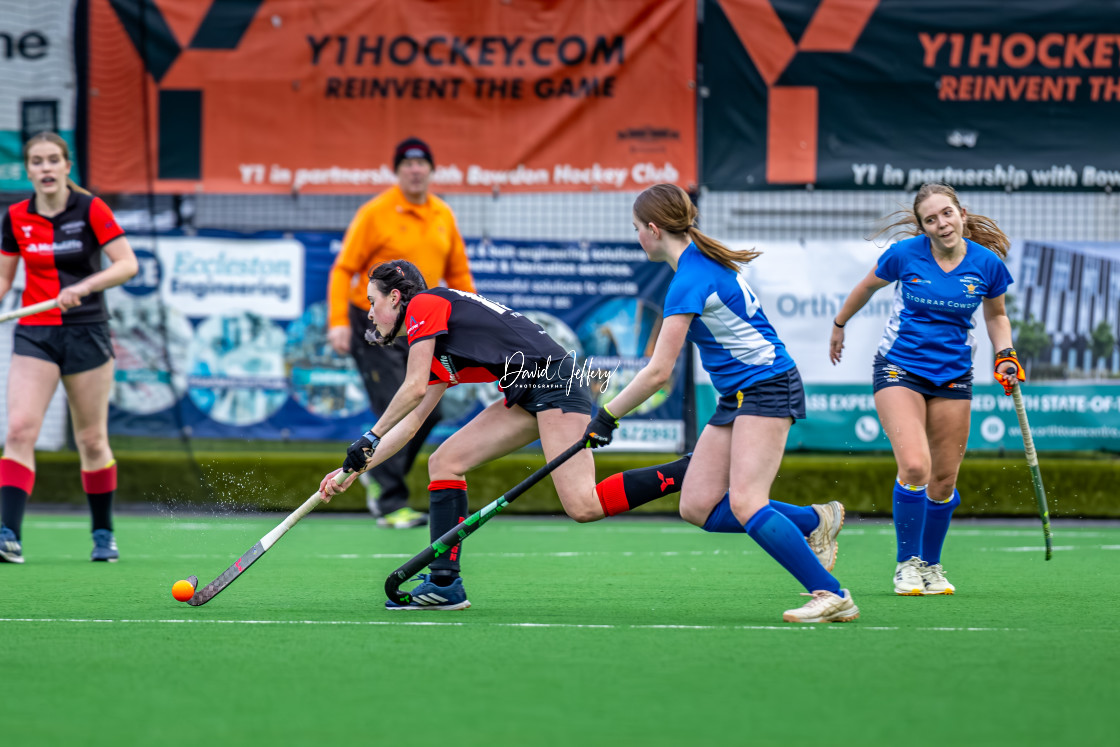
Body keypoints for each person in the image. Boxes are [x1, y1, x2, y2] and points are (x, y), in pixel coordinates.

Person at [320, 182, 853, 623]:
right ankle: (445, 584)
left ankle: (700, 483)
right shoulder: (437, 337)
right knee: (445, 461)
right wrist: (353, 469)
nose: (370, 313)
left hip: (556, 382)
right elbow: (414, 418)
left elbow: (411, 389)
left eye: (372, 303)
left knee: (583, 505)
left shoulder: (426, 305)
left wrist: (365, 439)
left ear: (396, 296)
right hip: (530, 385)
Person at [829, 182, 1019, 596]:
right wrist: (840, 324)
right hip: (899, 369)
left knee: (944, 480)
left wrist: (1005, 354)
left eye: (947, 213)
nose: (941, 223)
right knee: (916, 467)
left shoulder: (987, 264)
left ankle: (931, 565)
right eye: (930, 219)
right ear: (922, 227)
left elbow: (996, 316)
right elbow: (866, 287)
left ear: (961, 214)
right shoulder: (905, 254)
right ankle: (906, 564)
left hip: (954, 376)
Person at [0, 131, 138, 564]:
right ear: (28, 170)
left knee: (92, 441)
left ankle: (103, 533)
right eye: (36, 161)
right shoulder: (15, 217)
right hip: (35, 333)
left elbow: (127, 264)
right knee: (19, 430)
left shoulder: (90, 208)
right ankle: (8, 535)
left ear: (66, 165)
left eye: (52, 160)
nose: (45, 168)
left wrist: (86, 286)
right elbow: (3, 279)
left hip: (86, 331)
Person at [327, 137, 475, 529]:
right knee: (398, 401)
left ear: (431, 170)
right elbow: (343, 269)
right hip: (374, 322)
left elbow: (458, 273)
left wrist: (471, 319)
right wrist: (338, 321)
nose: (415, 169)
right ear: (396, 171)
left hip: (419, 325)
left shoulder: (443, 214)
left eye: (421, 162)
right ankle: (390, 502)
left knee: (431, 409)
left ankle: (375, 472)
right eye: (407, 163)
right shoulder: (375, 213)